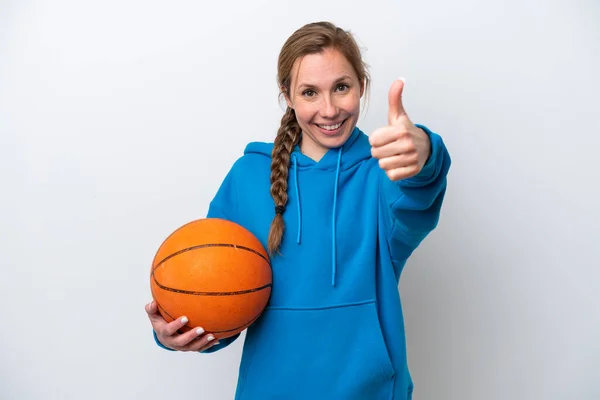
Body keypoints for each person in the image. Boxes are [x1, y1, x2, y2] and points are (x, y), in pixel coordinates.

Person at [145, 21, 451, 400]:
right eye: (310, 92)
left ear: (362, 86)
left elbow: (419, 194)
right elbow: (219, 295)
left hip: (371, 391)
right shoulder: (248, 176)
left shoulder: (383, 171)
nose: (329, 109)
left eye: (341, 87)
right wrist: (178, 332)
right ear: (287, 96)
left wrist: (425, 152)